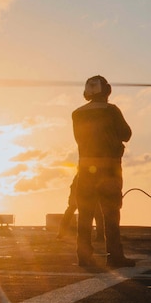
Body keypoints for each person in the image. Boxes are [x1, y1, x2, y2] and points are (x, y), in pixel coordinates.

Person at [72, 75, 135, 268]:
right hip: (109, 169)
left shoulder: (77, 113)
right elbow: (126, 134)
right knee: (111, 214)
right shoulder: (112, 110)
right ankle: (115, 256)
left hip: (84, 169)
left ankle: (84, 256)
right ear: (106, 91)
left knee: (85, 215)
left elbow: (78, 140)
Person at [57, 173, 102, 240]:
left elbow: (73, 187)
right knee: (97, 215)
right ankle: (99, 235)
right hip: (82, 198)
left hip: (81, 198)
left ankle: (61, 233)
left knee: (69, 214)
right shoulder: (87, 175)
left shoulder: (80, 175)